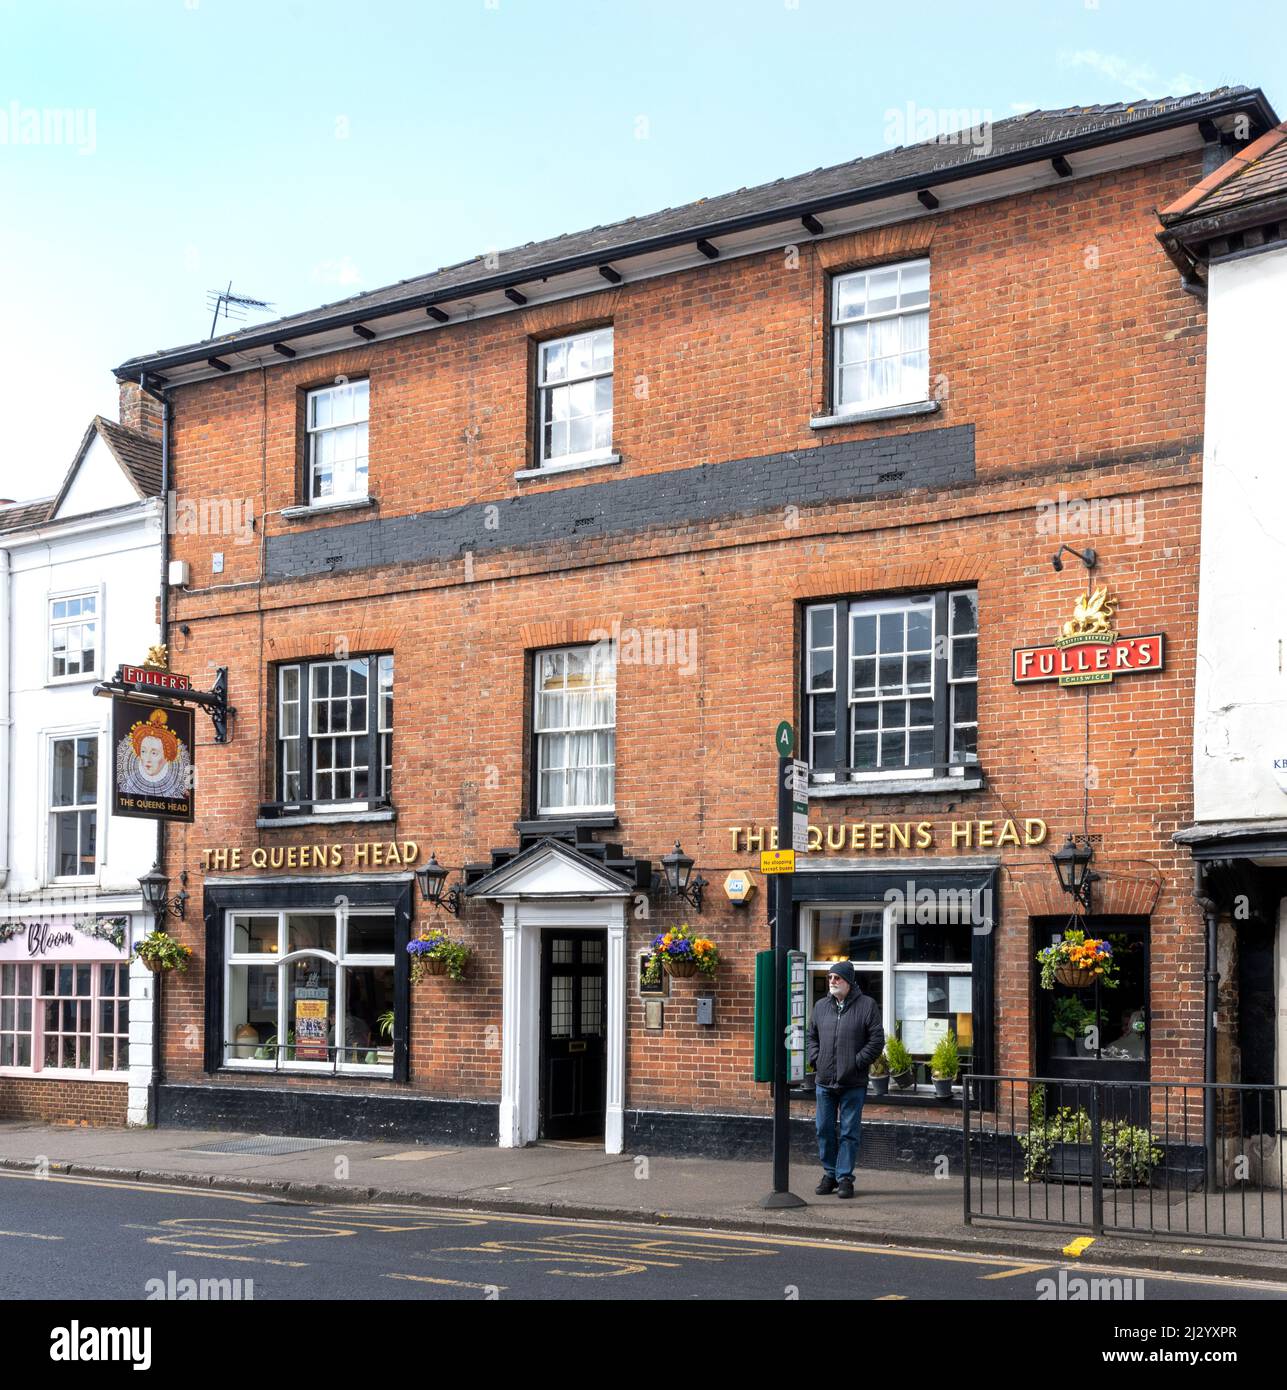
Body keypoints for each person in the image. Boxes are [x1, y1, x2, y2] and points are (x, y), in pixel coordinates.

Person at [807, 960, 884, 1199]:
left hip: (853, 1082)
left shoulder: (867, 1005)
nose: (832, 982)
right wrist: (816, 1059)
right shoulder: (821, 1007)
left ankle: (844, 1178)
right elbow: (811, 1036)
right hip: (824, 1082)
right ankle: (830, 1174)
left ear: (848, 981)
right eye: (830, 977)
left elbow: (876, 1040)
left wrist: (856, 1062)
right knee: (823, 1129)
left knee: (850, 1132)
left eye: (837, 978)